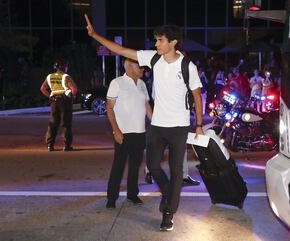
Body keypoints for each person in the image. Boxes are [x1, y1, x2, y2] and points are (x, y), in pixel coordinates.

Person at [85, 15, 203, 231]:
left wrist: (199, 124)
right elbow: (122, 51)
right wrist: (95, 35)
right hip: (157, 126)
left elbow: (197, 95)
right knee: (153, 165)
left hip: (179, 126)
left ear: (173, 42)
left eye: (160, 40)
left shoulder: (188, 66)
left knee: (177, 172)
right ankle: (167, 190)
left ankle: (168, 213)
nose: (155, 43)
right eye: (155, 40)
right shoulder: (153, 58)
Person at [105, 58, 152, 209]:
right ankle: (111, 198)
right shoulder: (117, 83)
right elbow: (110, 108)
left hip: (140, 133)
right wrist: (116, 130)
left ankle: (132, 194)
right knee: (118, 165)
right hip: (123, 133)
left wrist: (157, 124)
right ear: (130, 67)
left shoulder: (142, 84)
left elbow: (146, 106)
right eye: (140, 67)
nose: (143, 70)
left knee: (135, 166)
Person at [40, 59, 78, 151]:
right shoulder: (66, 77)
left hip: (54, 101)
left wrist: (50, 96)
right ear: (65, 67)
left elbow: (42, 88)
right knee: (66, 123)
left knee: (53, 122)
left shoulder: (49, 76)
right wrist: (71, 96)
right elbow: (74, 89)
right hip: (65, 101)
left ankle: (50, 145)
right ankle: (66, 146)